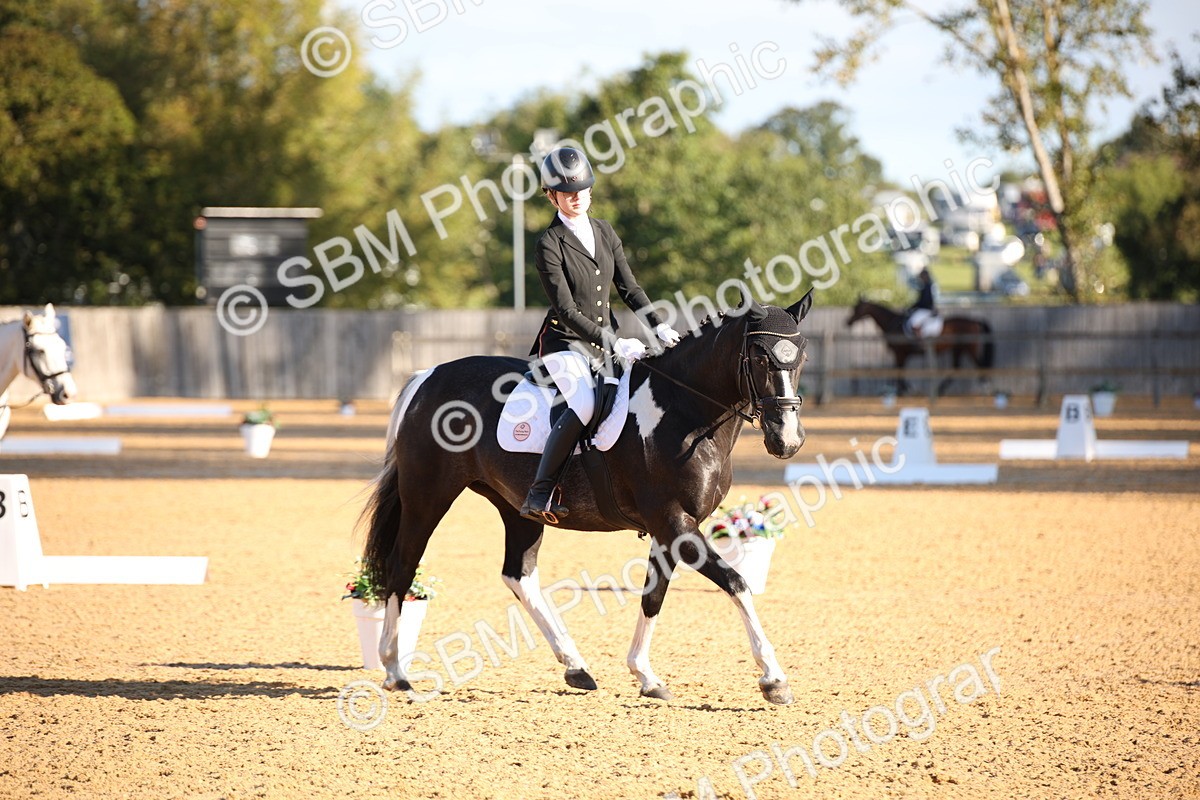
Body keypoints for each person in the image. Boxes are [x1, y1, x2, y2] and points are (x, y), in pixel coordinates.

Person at [519, 146, 682, 524]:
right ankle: (540, 491)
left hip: (609, 343)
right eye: (566, 192)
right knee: (585, 403)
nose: (576, 197)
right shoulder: (549, 244)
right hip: (564, 343)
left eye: (583, 190)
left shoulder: (605, 231)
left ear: (591, 190)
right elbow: (567, 311)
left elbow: (630, 288)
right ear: (551, 195)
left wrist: (658, 325)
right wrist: (614, 341)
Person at [907, 267, 938, 338]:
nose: (920, 279)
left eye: (921, 277)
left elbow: (924, 301)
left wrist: (914, 307)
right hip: (924, 308)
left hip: (925, 309)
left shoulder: (927, 287)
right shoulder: (926, 286)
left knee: (914, 323)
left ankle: (919, 340)